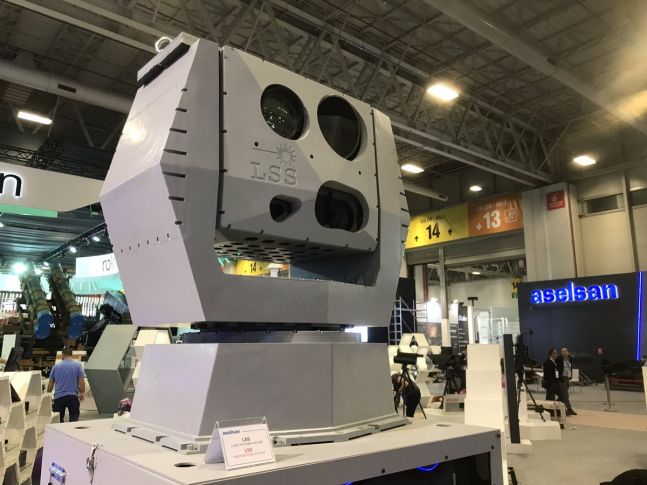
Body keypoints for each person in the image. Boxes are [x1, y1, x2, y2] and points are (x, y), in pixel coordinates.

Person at [47, 347, 86, 423]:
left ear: (63, 355)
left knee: (58, 421)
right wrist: (82, 392)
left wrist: (48, 394)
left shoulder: (56, 367)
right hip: (72, 396)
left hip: (59, 397)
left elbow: (51, 382)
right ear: (71, 355)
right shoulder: (78, 365)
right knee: (74, 419)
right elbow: (81, 381)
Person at [542, 348, 576, 417]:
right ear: (551, 354)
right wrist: (556, 379)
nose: (556, 355)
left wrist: (558, 379)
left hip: (557, 382)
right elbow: (548, 374)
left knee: (563, 397)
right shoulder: (547, 363)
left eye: (556, 353)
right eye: (554, 353)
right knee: (550, 399)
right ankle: (550, 413)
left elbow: (557, 372)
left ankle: (558, 409)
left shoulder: (555, 362)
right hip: (551, 384)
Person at [558, 347, 577, 416]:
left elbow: (569, 368)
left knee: (563, 395)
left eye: (565, 351)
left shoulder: (570, 359)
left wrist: (570, 376)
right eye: (562, 351)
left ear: (568, 352)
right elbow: (556, 369)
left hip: (567, 378)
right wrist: (557, 378)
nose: (563, 353)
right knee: (565, 395)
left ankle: (560, 408)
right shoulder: (559, 359)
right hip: (562, 379)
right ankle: (569, 409)